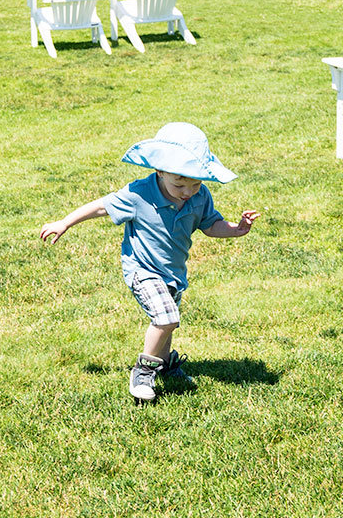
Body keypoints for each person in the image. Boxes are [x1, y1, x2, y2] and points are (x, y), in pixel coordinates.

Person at [40, 122, 259, 405]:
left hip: (174, 274)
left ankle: (166, 364)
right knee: (167, 318)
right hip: (142, 270)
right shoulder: (139, 194)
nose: (187, 191)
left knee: (165, 325)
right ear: (159, 171)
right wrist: (64, 222)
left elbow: (210, 224)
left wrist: (234, 228)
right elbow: (100, 206)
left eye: (195, 183)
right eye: (179, 184)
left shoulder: (199, 196)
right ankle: (144, 372)